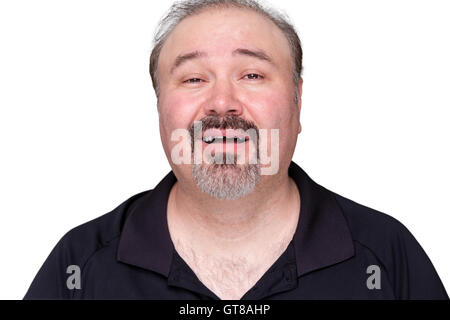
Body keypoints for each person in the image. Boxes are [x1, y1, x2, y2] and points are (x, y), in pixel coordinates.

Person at [24, 0, 448, 300]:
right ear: (159, 107)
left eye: (251, 74)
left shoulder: (387, 258)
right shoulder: (79, 267)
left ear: (298, 101)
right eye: (193, 79)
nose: (222, 102)